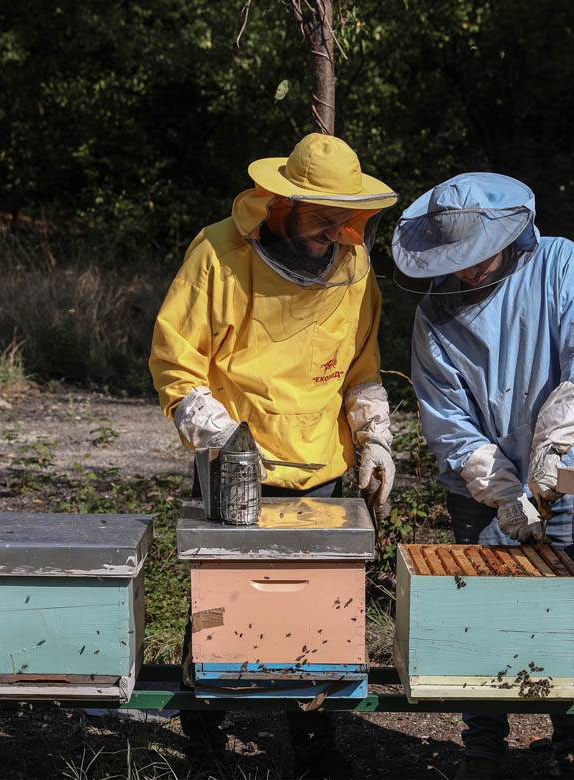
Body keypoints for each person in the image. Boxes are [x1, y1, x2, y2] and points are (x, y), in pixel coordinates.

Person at [149, 133, 398, 780]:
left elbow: (361, 367)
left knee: (311, 615)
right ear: (280, 204)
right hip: (237, 468)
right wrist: (227, 443)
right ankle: (204, 744)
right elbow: (178, 369)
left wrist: (374, 438)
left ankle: (314, 750)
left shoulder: (354, 266)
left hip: (321, 466)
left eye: (344, 218)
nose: (332, 233)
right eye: (320, 218)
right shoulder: (218, 254)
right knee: (220, 606)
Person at [392, 172, 574, 780]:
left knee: (568, 618)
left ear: (507, 232)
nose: (469, 271)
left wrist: (553, 451)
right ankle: (482, 748)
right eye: (457, 260)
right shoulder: (433, 317)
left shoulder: (560, 263)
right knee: (483, 617)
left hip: (569, 475)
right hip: (478, 487)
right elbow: (449, 422)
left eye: (477, 255)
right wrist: (503, 492)